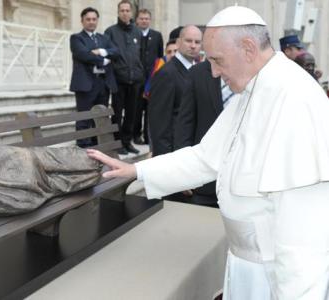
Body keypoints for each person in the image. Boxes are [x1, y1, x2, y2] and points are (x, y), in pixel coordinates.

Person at [88, 5, 329, 300]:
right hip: (246, 264)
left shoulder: (295, 98)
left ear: (249, 48)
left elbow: (304, 241)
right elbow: (206, 157)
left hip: (273, 278)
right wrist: (136, 170)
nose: (213, 71)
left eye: (217, 60)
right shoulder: (255, 88)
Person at [176, 59, 229, 208]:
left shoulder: (255, 72)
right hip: (205, 183)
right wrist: (183, 170)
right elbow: (185, 123)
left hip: (243, 186)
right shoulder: (197, 73)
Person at [148, 25, 202, 157]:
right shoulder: (166, 74)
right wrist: (165, 159)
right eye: (188, 41)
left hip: (192, 150)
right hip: (173, 153)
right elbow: (159, 124)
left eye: (197, 42)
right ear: (178, 43)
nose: (193, 46)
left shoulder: (199, 71)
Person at [69, 7, 119, 148]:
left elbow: (116, 52)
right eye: (88, 19)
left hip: (103, 83)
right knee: (84, 117)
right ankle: (83, 147)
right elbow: (83, 54)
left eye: (94, 19)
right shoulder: (76, 38)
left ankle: (98, 145)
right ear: (82, 21)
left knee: (101, 116)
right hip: (85, 83)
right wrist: (103, 60)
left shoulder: (104, 38)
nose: (91, 22)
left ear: (97, 20)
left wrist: (102, 51)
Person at [105, 0, 144, 155]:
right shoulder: (110, 31)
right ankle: (117, 143)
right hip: (118, 80)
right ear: (118, 12)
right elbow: (108, 55)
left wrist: (140, 74)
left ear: (132, 12)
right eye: (122, 10)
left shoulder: (137, 32)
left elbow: (140, 55)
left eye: (127, 10)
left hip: (135, 80)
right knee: (116, 113)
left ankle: (127, 142)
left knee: (131, 114)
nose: (125, 13)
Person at [133, 8, 164, 146]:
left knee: (150, 108)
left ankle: (147, 136)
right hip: (137, 77)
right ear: (137, 20)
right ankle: (135, 135)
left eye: (146, 18)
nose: (144, 21)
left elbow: (160, 57)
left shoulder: (157, 36)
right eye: (141, 18)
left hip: (152, 78)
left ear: (150, 20)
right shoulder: (133, 34)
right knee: (136, 108)